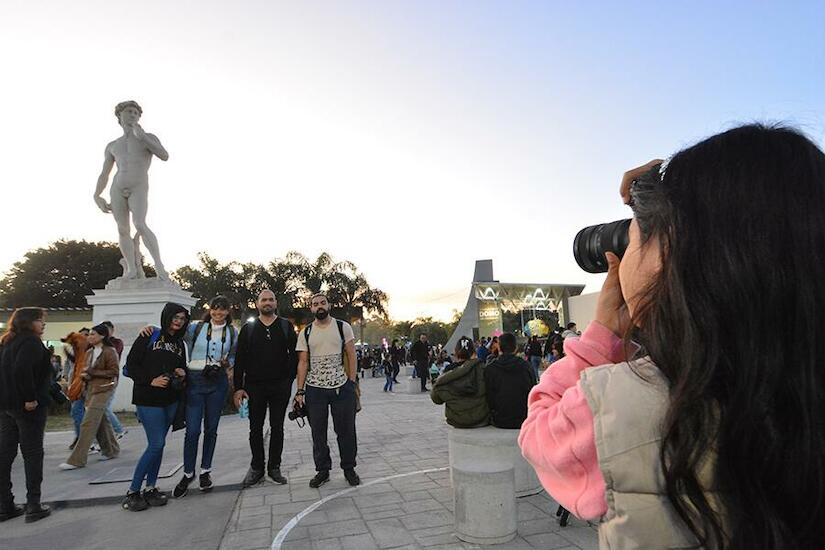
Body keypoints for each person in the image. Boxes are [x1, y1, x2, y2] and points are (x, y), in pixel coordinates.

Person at [519, 125, 825, 548]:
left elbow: (538, 435)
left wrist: (601, 338)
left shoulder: (623, 403)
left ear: (671, 261)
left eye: (637, 237)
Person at [121, 303, 189, 512]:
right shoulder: (149, 335)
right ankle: (133, 491)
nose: (178, 321)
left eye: (182, 318)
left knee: (158, 445)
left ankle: (150, 488)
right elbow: (130, 367)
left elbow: (182, 367)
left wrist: (182, 372)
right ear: (167, 316)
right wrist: (150, 380)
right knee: (156, 444)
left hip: (170, 399)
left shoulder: (179, 343)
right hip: (148, 398)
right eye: (175, 317)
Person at [94, 100, 170, 280]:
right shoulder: (113, 145)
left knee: (140, 224)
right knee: (122, 229)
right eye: (129, 111)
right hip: (118, 185)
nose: (133, 115)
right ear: (120, 116)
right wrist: (97, 194)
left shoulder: (148, 137)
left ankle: (159, 266)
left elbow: (164, 155)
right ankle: (131, 269)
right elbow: (104, 173)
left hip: (138, 185)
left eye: (136, 112)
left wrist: (143, 137)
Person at [172, 295, 238, 497]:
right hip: (195, 379)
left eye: (223, 309)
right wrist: (150, 330)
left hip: (217, 381)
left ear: (228, 311)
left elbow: (235, 354)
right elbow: (173, 334)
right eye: (215, 309)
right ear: (210, 309)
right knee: (192, 430)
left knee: (211, 428)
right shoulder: (195, 328)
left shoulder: (232, 332)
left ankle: (205, 471)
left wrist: (228, 363)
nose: (218, 313)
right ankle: (188, 472)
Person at [233, 290, 297, 488]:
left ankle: (274, 467)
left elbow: (295, 356)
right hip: (254, 386)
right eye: (264, 300)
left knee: (277, 428)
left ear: (276, 302)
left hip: (280, 386)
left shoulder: (286, 326)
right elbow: (240, 360)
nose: (267, 302)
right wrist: (238, 388)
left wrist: (288, 379)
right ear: (257, 303)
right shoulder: (249, 329)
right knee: (255, 429)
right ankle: (257, 468)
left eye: (271, 299)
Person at [294, 293, 360, 488]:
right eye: (315, 304)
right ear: (311, 309)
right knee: (318, 433)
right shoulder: (305, 332)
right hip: (315, 390)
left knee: (346, 431)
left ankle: (349, 469)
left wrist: (352, 382)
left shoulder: (342, 327)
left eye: (323, 302)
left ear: (329, 305)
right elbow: (303, 362)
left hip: (341, 387)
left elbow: (351, 354)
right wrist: (300, 391)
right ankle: (322, 471)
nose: (319, 306)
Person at [0, 308, 52, 523]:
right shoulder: (30, 342)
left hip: (6, 406)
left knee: (5, 455)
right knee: (32, 454)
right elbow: (23, 369)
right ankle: (34, 504)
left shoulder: (7, 342)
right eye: (40, 320)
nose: (43, 324)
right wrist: (30, 397)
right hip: (27, 407)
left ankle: (5, 505)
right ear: (29, 322)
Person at [59, 325, 120, 469]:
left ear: (102, 336)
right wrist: (85, 377)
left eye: (93, 334)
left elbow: (113, 371)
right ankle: (111, 450)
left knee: (88, 423)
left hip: (104, 390)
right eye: (89, 334)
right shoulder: (90, 352)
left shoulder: (110, 351)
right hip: (91, 390)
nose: (89, 337)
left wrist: (93, 372)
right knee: (101, 422)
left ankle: (77, 460)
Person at [431, 337, 488, 428]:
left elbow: (436, 399)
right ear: (473, 351)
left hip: (457, 420)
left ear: (456, 352)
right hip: (482, 418)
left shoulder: (448, 371)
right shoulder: (482, 368)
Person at [484, 332, 536, 429]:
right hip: (523, 417)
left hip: (499, 419)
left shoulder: (490, 369)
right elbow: (533, 391)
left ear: (499, 348)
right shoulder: (526, 366)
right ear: (516, 348)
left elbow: (489, 396)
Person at [100, 321, 126, 440]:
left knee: (104, 407)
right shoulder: (99, 343)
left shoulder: (117, 342)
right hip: (99, 379)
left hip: (111, 378)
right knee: (101, 408)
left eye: (106, 329)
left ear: (111, 330)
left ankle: (118, 429)